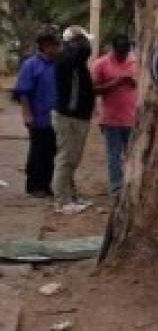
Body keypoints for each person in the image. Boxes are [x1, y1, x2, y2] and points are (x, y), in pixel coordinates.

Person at [11, 27, 61, 197]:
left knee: (51, 151)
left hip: (55, 116)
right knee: (38, 151)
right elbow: (23, 92)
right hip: (38, 115)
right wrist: (27, 114)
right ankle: (34, 185)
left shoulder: (57, 64)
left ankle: (46, 185)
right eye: (54, 45)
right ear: (45, 46)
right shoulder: (31, 65)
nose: (57, 48)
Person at [51, 25, 96, 214]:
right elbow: (86, 49)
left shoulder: (75, 60)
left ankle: (71, 196)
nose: (87, 43)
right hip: (69, 116)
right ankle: (62, 201)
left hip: (77, 116)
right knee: (66, 159)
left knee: (72, 159)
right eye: (83, 39)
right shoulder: (68, 56)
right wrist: (79, 39)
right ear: (75, 41)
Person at [91, 31, 138, 196]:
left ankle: (132, 184)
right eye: (119, 53)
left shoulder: (135, 62)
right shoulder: (101, 64)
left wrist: (133, 82)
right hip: (111, 118)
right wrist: (115, 83)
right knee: (114, 155)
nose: (122, 56)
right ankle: (116, 187)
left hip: (132, 117)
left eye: (124, 52)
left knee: (133, 154)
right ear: (113, 49)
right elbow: (94, 89)